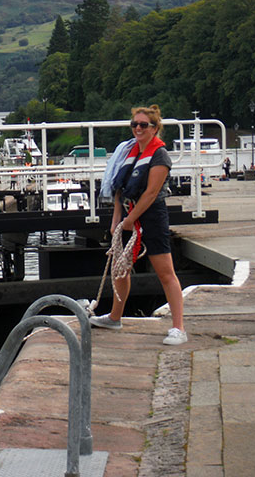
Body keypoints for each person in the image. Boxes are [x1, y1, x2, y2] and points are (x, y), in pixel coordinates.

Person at [90, 105, 187, 345]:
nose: (138, 129)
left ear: (155, 128)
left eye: (144, 125)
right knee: (120, 269)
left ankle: (179, 328)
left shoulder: (160, 156)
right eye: (135, 124)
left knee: (165, 272)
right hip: (126, 214)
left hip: (151, 216)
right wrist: (117, 219)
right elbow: (119, 187)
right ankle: (115, 317)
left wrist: (132, 220)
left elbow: (152, 192)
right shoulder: (127, 151)